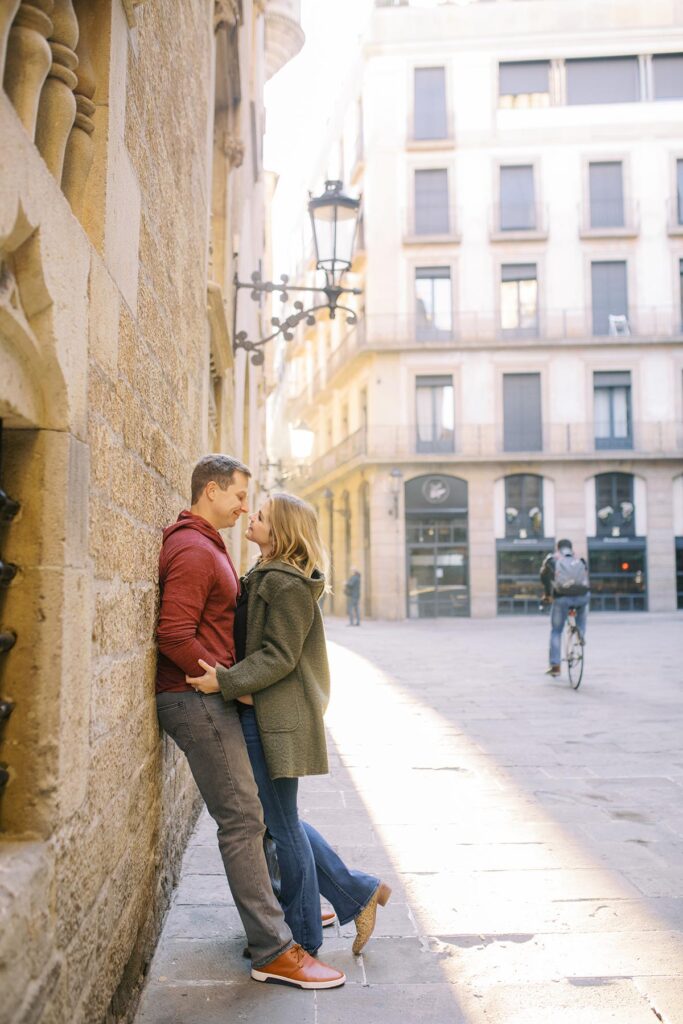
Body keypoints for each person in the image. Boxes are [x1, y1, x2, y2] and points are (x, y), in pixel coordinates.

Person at [155, 455, 344, 989]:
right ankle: (275, 948)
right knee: (249, 822)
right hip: (196, 698)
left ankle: (301, 917)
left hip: (224, 698)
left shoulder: (209, 545)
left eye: (253, 504)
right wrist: (214, 679)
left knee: (264, 819)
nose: (245, 507)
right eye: (240, 496)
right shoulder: (194, 547)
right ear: (212, 490)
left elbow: (276, 650)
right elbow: (174, 635)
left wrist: (226, 683)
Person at [187, 492, 391, 958]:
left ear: (279, 532)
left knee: (281, 827)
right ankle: (356, 893)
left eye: (260, 515)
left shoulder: (288, 586)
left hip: (273, 721)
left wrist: (225, 681)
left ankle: (302, 936)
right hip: (260, 712)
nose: (250, 518)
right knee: (281, 822)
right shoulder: (266, 575)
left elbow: (280, 656)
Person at [540, 538, 590, 677]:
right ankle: (580, 634)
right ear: (571, 548)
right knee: (583, 610)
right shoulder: (580, 559)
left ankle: (555, 666)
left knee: (556, 631)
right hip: (582, 596)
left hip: (562, 598)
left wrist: (547, 595)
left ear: (558, 548)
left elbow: (544, 577)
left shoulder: (552, 559)